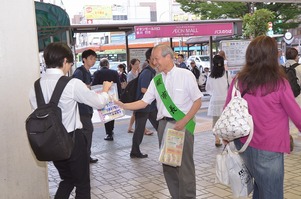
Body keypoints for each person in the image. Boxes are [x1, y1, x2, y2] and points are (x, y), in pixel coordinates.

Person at [115, 44, 203, 199]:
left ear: (168, 57)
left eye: (156, 58)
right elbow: (144, 102)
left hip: (182, 125)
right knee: (168, 166)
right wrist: (123, 105)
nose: (154, 62)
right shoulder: (157, 80)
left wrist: (184, 120)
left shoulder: (185, 75)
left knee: (185, 168)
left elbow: (197, 101)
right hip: (163, 126)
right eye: (153, 59)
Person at [29, 42, 112, 199]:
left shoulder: (35, 87)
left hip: (51, 143)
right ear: (65, 61)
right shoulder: (72, 84)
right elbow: (98, 102)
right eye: (70, 63)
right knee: (82, 183)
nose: (70, 67)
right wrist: (106, 91)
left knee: (67, 179)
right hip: (73, 140)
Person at [227, 36, 301, 199]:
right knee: (271, 193)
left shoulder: (238, 81)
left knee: (260, 189)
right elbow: (296, 114)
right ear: (272, 56)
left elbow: (228, 109)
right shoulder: (278, 83)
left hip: (244, 145)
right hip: (269, 147)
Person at [130, 47, 159, 158]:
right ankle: (135, 151)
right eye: (154, 58)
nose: (156, 60)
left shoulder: (151, 71)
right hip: (143, 107)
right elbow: (143, 89)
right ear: (148, 59)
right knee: (139, 130)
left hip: (150, 107)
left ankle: (165, 148)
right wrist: (157, 93)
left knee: (159, 127)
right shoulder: (147, 72)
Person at [72, 49, 99, 164]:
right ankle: (84, 157)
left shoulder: (87, 72)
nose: (93, 61)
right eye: (91, 58)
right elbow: (76, 88)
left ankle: (85, 156)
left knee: (85, 132)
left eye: (94, 59)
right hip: (81, 109)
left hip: (87, 108)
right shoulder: (79, 72)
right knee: (88, 130)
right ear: (84, 59)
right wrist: (87, 87)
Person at [92, 58, 121, 141]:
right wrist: (119, 96)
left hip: (102, 96)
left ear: (100, 65)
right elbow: (118, 85)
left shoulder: (97, 73)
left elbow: (94, 85)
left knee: (106, 114)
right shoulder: (114, 72)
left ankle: (108, 133)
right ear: (108, 65)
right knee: (112, 112)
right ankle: (111, 130)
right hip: (113, 96)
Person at [206, 55, 232, 147]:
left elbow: (207, 89)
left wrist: (213, 93)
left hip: (215, 100)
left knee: (216, 121)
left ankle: (217, 139)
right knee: (226, 121)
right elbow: (231, 86)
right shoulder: (227, 74)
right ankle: (225, 139)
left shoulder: (210, 75)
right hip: (225, 100)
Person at [284, 47, 301, 151]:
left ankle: (288, 139)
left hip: (285, 98)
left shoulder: (280, 68)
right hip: (298, 97)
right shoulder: (299, 68)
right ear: (296, 56)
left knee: (288, 120)